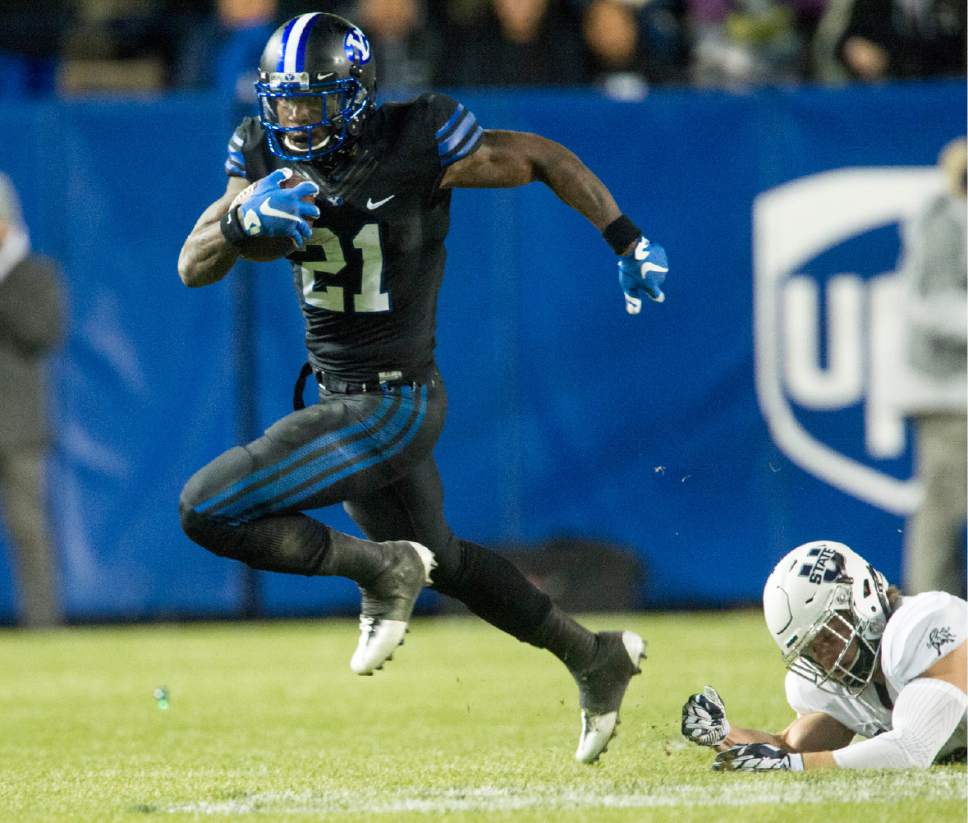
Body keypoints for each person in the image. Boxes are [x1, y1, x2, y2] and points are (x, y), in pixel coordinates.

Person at [176, 11, 667, 763]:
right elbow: (193, 262)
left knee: (206, 506)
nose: (295, 119)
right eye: (284, 102)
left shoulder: (419, 137)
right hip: (344, 396)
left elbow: (539, 157)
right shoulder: (258, 151)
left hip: (395, 403)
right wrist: (242, 221)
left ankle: (381, 569)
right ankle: (594, 656)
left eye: (313, 101)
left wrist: (624, 235)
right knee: (448, 558)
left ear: (357, 94)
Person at [680, 540, 967, 771]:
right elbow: (786, 746)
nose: (826, 657)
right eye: (810, 650)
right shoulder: (830, 686)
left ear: (862, 601)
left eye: (828, 636)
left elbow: (913, 747)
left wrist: (794, 766)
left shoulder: (924, 625)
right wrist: (723, 734)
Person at [897, 138, 967, 597]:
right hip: (948, 394)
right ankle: (929, 615)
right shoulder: (945, 220)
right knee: (942, 514)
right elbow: (929, 303)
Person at [0, 172, 65, 627]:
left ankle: (43, 624)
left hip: (18, 423)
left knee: (28, 527)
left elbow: (41, 334)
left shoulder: (36, 273)